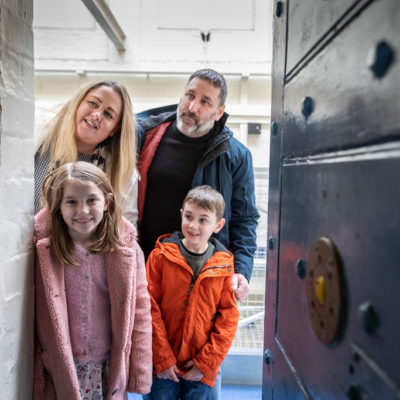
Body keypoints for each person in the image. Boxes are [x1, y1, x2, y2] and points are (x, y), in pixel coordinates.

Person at [137, 68, 259, 302]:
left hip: (203, 278)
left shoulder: (236, 155)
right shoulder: (146, 136)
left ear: (218, 111)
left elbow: (245, 219)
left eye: (205, 102)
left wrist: (242, 270)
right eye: (190, 96)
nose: (192, 107)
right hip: (147, 272)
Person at [33, 161, 152, 400]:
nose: (82, 211)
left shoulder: (126, 251)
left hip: (106, 367)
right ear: (58, 206)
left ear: (106, 202)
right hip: (60, 368)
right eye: (71, 202)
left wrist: (140, 372)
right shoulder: (43, 251)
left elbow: (140, 310)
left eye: (91, 200)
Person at [144, 185, 240, 400]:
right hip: (161, 363)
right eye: (189, 216)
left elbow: (229, 318)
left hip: (201, 365)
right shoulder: (160, 257)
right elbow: (148, 308)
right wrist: (162, 359)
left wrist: (206, 362)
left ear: (218, 225)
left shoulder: (224, 265)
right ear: (181, 215)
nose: (193, 225)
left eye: (203, 220)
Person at [35, 80, 138, 225]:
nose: (97, 115)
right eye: (93, 104)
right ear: (78, 103)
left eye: (108, 114)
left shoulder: (121, 172)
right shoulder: (37, 135)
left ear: (114, 129)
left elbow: (126, 231)